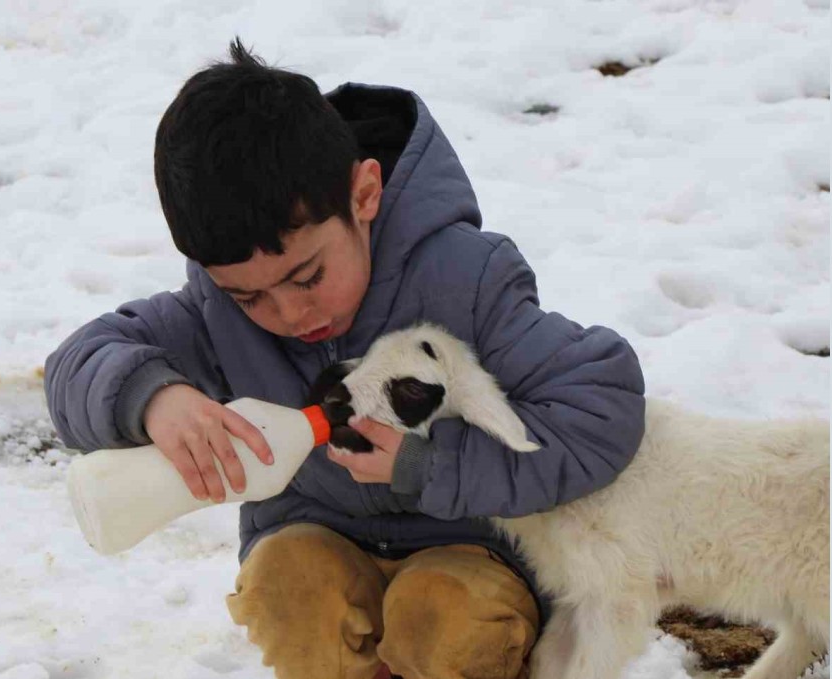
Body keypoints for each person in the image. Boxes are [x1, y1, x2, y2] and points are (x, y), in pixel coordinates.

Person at [45, 38, 646, 679]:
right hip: (318, 536)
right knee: (289, 591)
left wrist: (429, 465)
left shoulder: (464, 282)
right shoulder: (214, 314)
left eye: (307, 277)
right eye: (250, 296)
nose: (290, 314)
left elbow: (602, 409)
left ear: (364, 195)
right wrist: (154, 397)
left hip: (473, 549)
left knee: (445, 620)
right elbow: (75, 364)